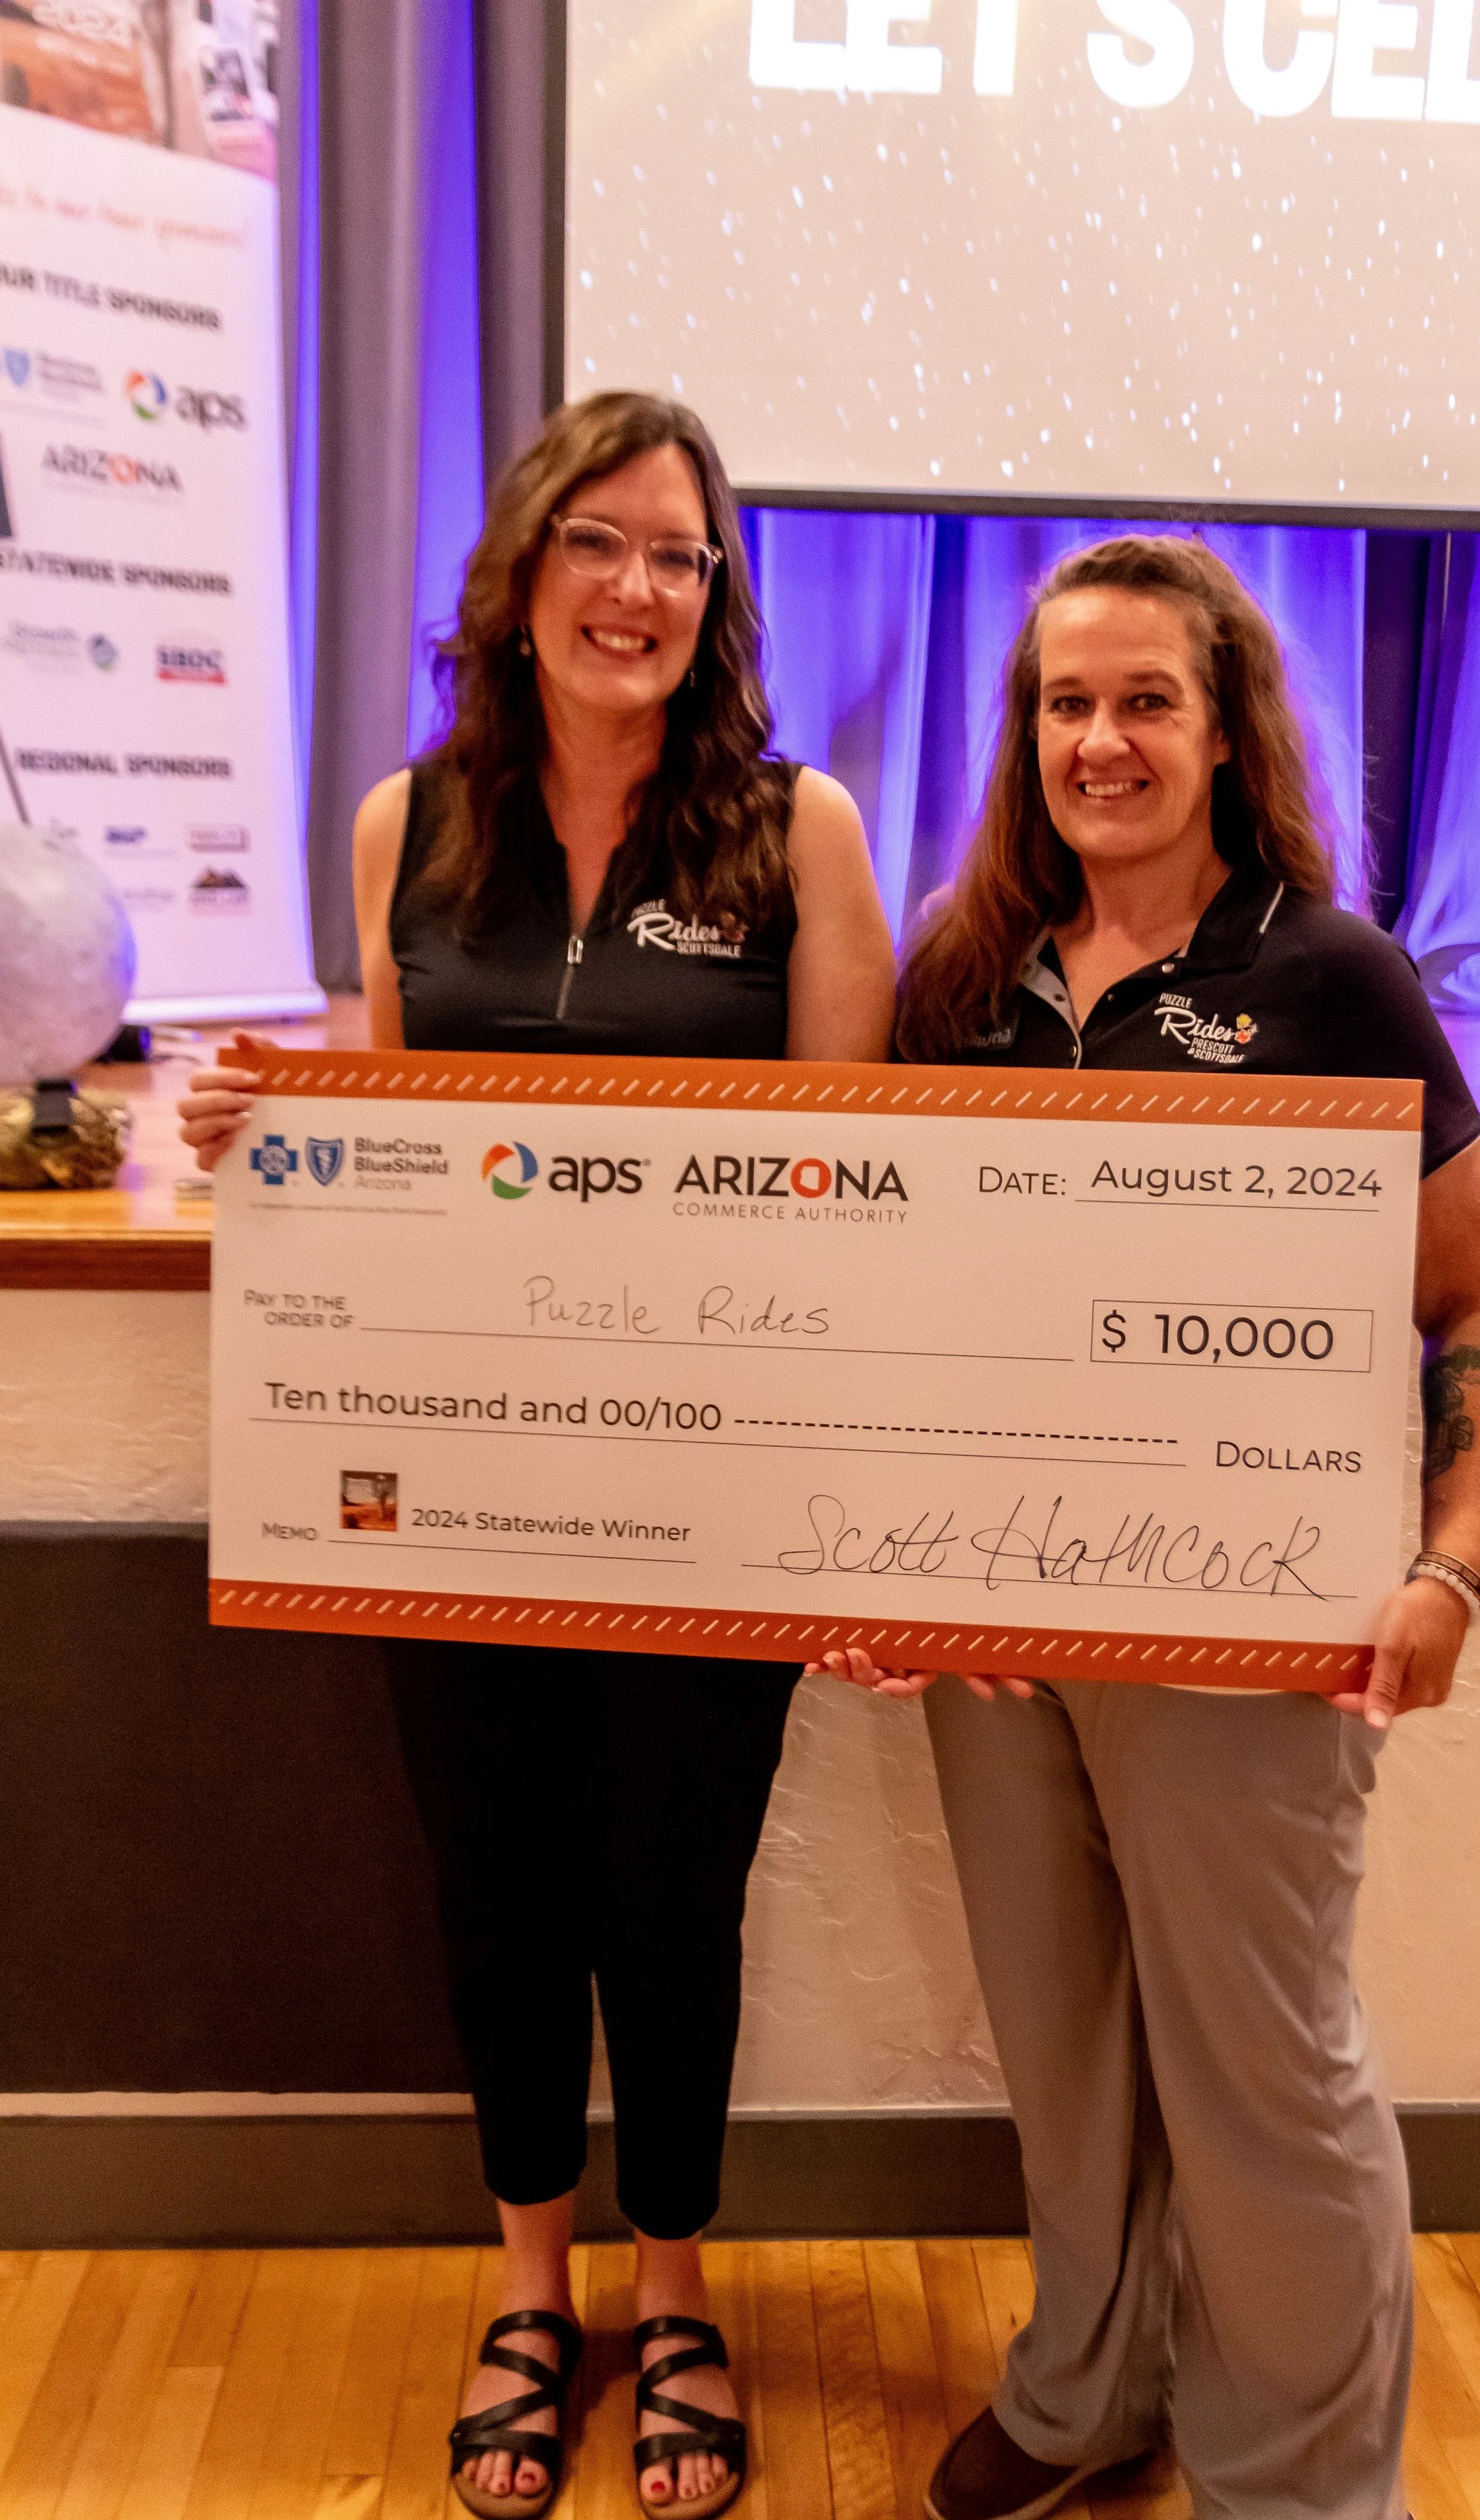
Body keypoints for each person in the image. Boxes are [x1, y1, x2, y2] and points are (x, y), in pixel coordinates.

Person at [180, 390, 897, 2520]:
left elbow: (854, 1185)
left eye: (682, 557)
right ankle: (528, 2284)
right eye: (603, 542)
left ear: (716, 600)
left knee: (670, 1900)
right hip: (450, 1475)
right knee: (494, 1897)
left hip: (709, 1488)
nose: (641, 590)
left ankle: (674, 2287)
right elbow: (389, 1130)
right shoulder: (413, 825)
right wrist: (267, 1126)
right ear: (522, 569)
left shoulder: (801, 831)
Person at [812, 534, 1480, 2520]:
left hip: (1244, 1630)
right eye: (1065, 702)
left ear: (1225, 735)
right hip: (994, 1632)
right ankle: (1084, 2390)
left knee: (1259, 2062)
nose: (1100, 739)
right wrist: (869, 1554)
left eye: (1145, 701)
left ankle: (1300, 2484)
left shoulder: (1329, 976)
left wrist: (1447, 1558)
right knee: (1059, 2038)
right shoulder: (963, 971)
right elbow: (891, 1296)